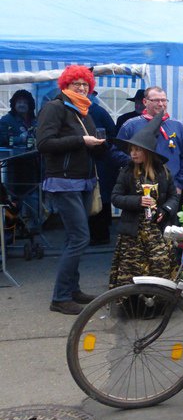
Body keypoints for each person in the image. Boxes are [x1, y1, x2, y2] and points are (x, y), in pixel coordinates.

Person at [37, 65, 107, 315]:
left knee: (73, 237)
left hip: (83, 181)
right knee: (79, 237)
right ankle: (61, 297)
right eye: (76, 83)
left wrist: (98, 145)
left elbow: (85, 144)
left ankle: (72, 289)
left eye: (85, 84)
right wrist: (81, 140)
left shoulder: (83, 109)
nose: (81, 87)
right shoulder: (55, 108)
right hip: (63, 182)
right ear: (65, 85)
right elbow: (43, 143)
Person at [109, 113, 180, 288]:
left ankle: (159, 302)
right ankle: (132, 305)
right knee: (131, 270)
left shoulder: (163, 172)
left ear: (147, 152)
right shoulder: (126, 172)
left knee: (161, 263)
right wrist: (137, 201)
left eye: (137, 150)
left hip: (157, 229)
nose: (133, 153)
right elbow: (115, 198)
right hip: (132, 232)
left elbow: (173, 196)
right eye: (131, 150)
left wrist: (165, 210)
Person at [115, 86, 183, 195]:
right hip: (139, 188)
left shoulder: (178, 126)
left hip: (170, 189)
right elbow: (116, 152)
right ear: (145, 102)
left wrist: (180, 184)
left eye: (164, 100)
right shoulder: (130, 125)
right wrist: (134, 162)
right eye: (156, 100)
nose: (161, 104)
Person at [0, 90, 42, 236]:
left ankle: (33, 228)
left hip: (32, 165)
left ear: (30, 104)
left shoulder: (36, 120)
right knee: (13, 199)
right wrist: (20, 138)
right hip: (13, 167)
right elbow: (2, 140)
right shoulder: (6, 120)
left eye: (25, 102)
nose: (22, 105)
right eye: (19, 102)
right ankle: (11, 232)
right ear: (14, 104)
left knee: (34, 197)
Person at [87, 91, 119, 245]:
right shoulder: (93, 111)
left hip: (101, 161)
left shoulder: (97, 112)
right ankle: (98, 233)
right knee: (99, 196)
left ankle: (100, 235)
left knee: (100, 197)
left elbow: (111, 136)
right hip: (97, 161)